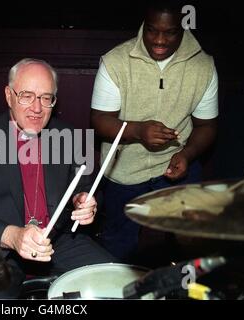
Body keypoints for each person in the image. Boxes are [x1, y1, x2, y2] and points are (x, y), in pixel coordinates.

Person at [0, 58, 114, 298]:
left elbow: (87, 187)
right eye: (27, 96)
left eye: (46, 98)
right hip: (1, 247)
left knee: (115, 284)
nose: (37, 108)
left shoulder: (67, 135)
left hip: (59, 239)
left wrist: (85, 202)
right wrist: (13, 236)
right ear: (9, 96)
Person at [91, 0, 218, 262]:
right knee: (118, 245)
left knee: (188, 245)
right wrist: (137, 130)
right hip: (123, 170)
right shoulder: (116, 61)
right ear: (143, 24)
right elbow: (100, 120)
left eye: (170, 32)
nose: (159, 40)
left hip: (177, 166)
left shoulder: (203, 67)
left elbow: (207, 126)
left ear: (183, 27)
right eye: (151, 30)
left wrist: (188, 154)